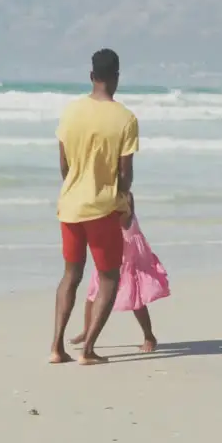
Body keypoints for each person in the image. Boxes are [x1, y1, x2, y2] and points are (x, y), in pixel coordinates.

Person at [50, 48, 139, 366]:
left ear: (91, 76)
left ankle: (56, 348)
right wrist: (123, 198)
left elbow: (63, 165)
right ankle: (87, 350)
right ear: (117, 77)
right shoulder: (126, 119)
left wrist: (75, 184)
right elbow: (125, 176)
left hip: (70, 206)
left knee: (70, 275)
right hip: (102, 209)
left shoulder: (70, 112)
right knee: (109, 277)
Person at [70, 190, 170, 353]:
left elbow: (125, 221)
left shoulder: (124, 195)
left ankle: (149, 336)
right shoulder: (101, 193)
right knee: (92, 294)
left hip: (128, 250)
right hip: (110, 245)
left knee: (135, 298)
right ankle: (87, 331)